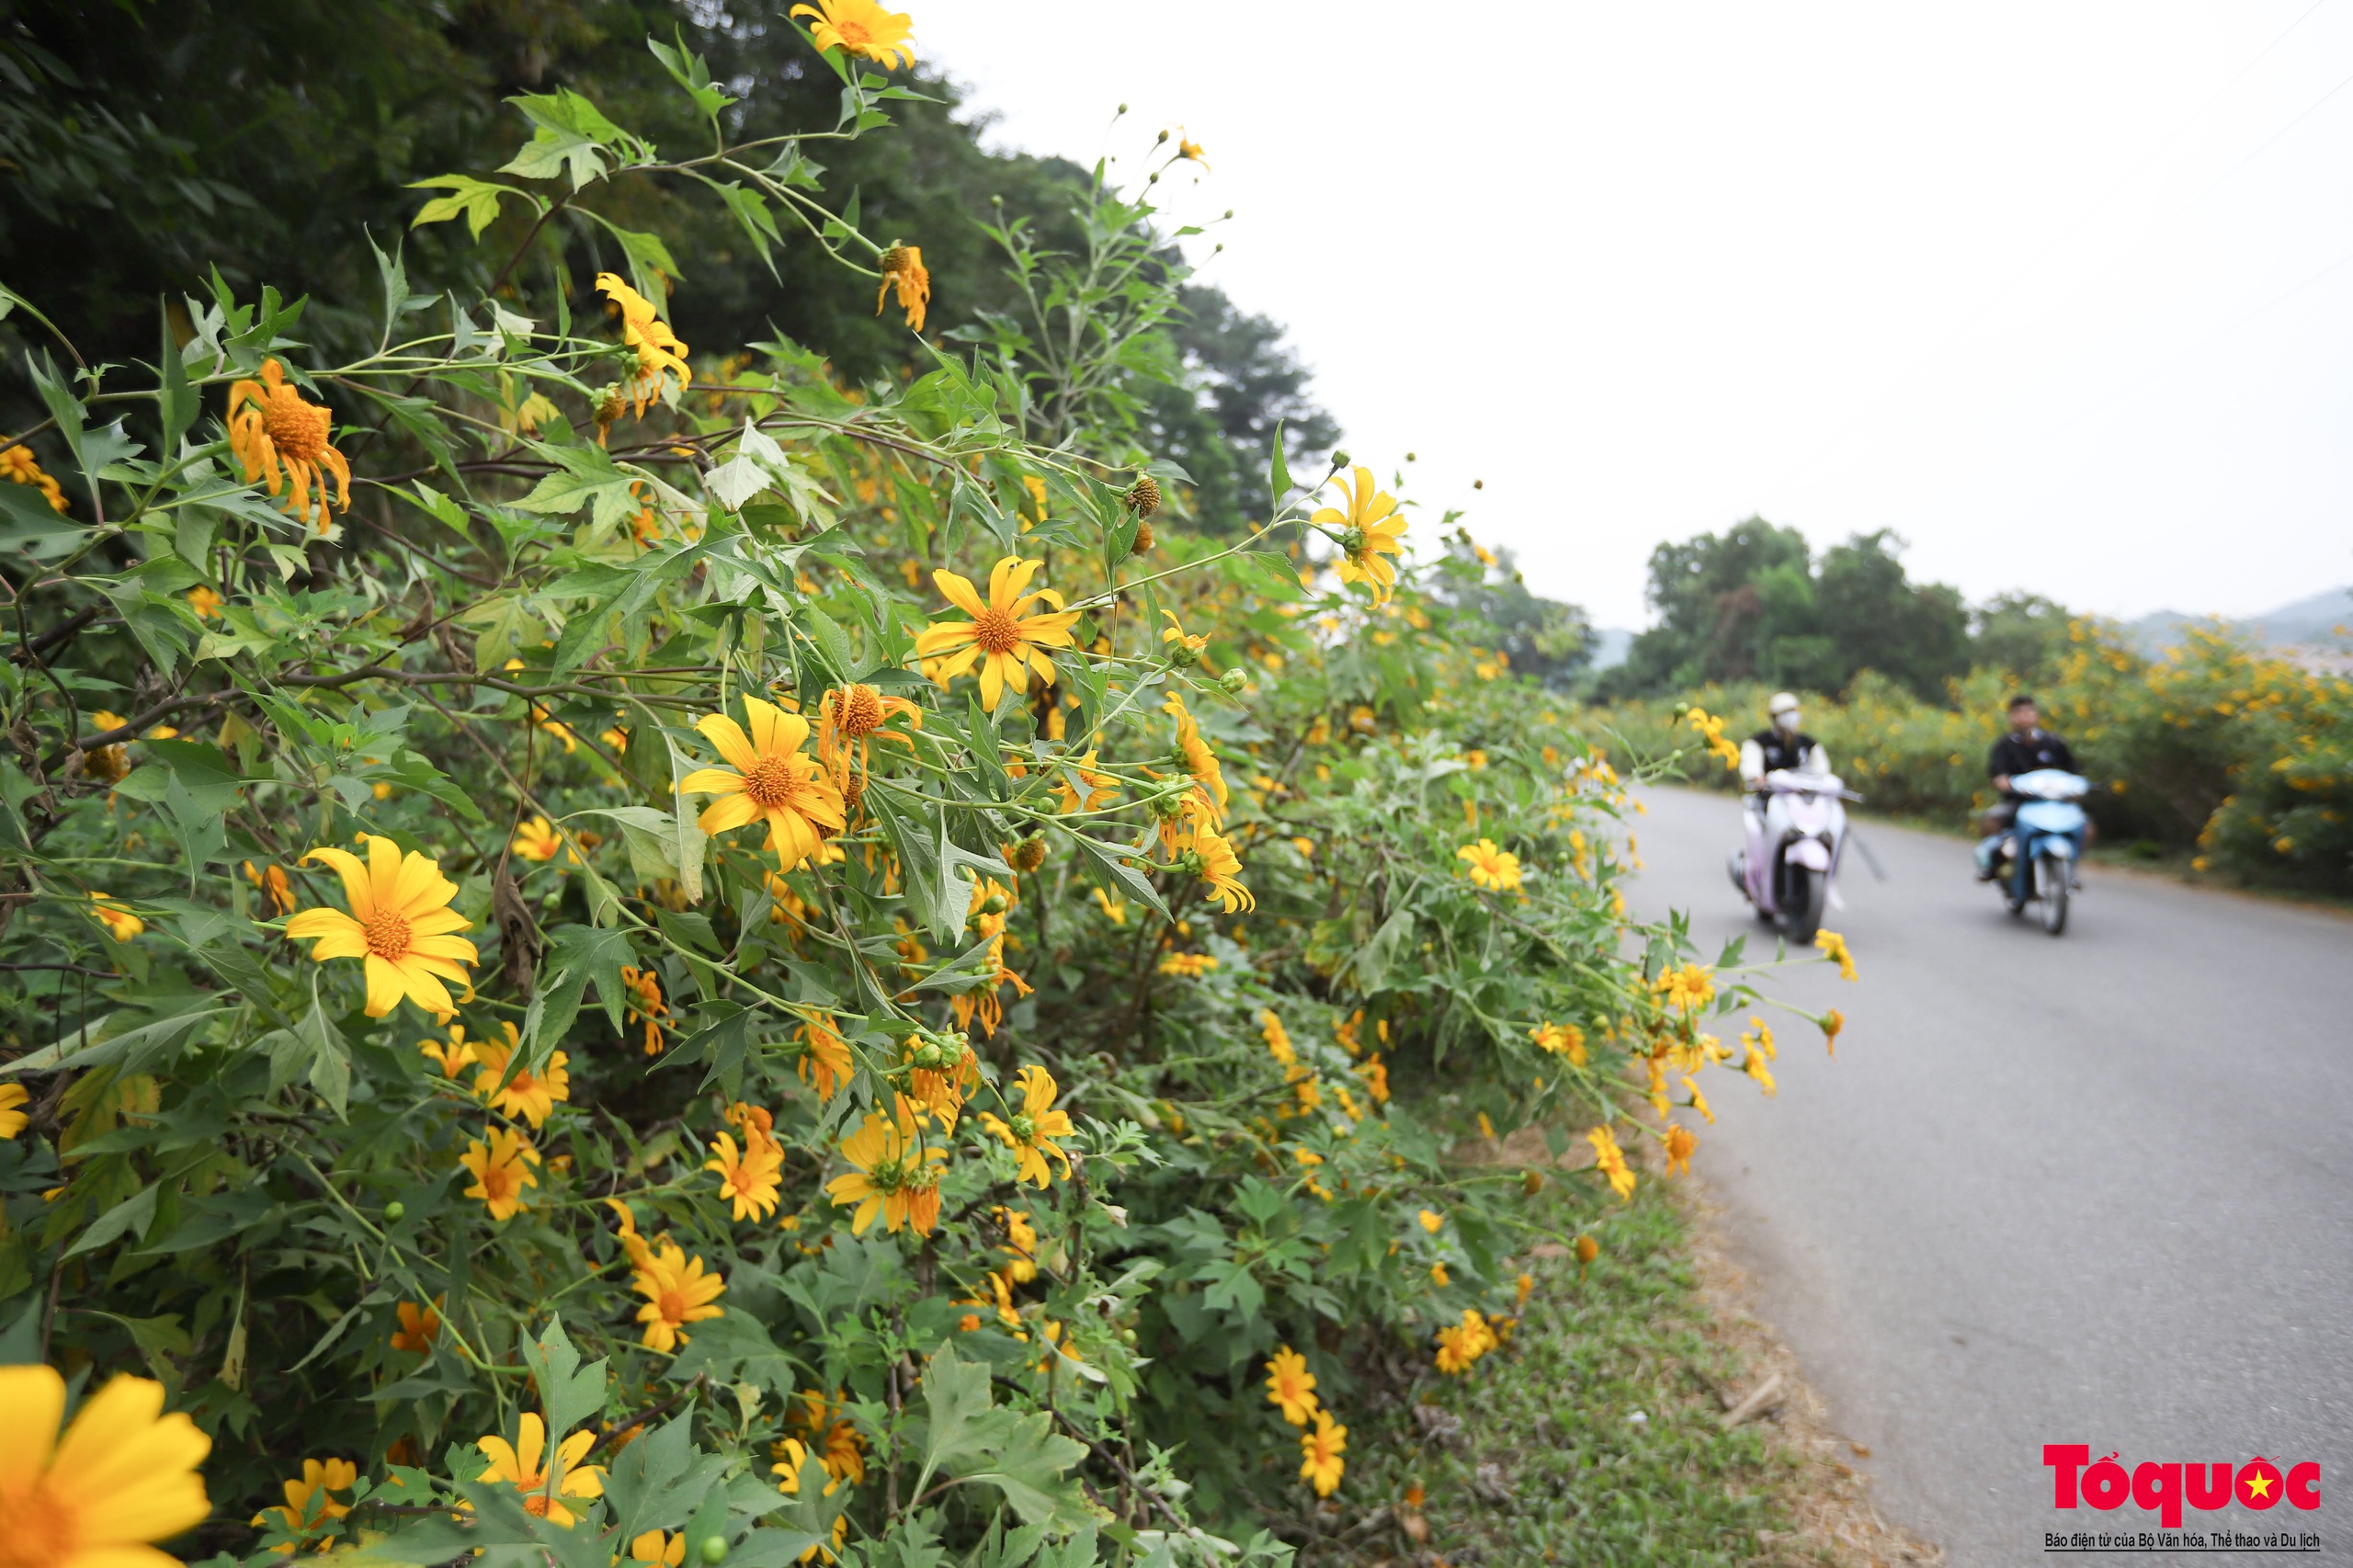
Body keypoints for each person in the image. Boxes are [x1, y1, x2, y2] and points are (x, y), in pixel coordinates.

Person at [1973, 694, 2079, 881]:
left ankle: (2072, 865)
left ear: (2036, 715)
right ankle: (1995, 863)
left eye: (2028, 712)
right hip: (2019, 802)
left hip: (2053, 802)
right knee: (1991, 820)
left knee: (2084, 826)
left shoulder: (2054, 743)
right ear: (2011, 717)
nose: (2024, 717)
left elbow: (2072, 771)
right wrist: (2003, 782)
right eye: (2019, 713)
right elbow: (1997, 772)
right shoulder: (2004, 746)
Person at [1739, 692, 1829, 789]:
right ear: (1774, 716)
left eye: (1793, 711)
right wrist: (1756, 778)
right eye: (1785, 712)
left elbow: (1821, 769)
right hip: (1771, 796)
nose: (1791, 716)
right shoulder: (1759, 742)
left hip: (1804, 795)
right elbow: (1751, 766)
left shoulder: (1808, 743)